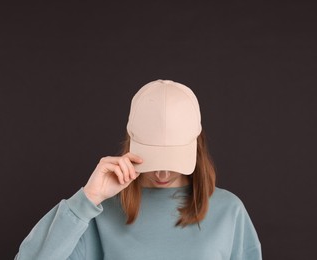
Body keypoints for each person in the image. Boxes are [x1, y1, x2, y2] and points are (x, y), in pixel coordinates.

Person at [14, 80, 262, 260]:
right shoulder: (100, 212)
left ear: (196, 145)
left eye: (173, 161)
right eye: (154, 160)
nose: (162, 174)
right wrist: (87, 199)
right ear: (132, 141)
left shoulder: (229, 211)